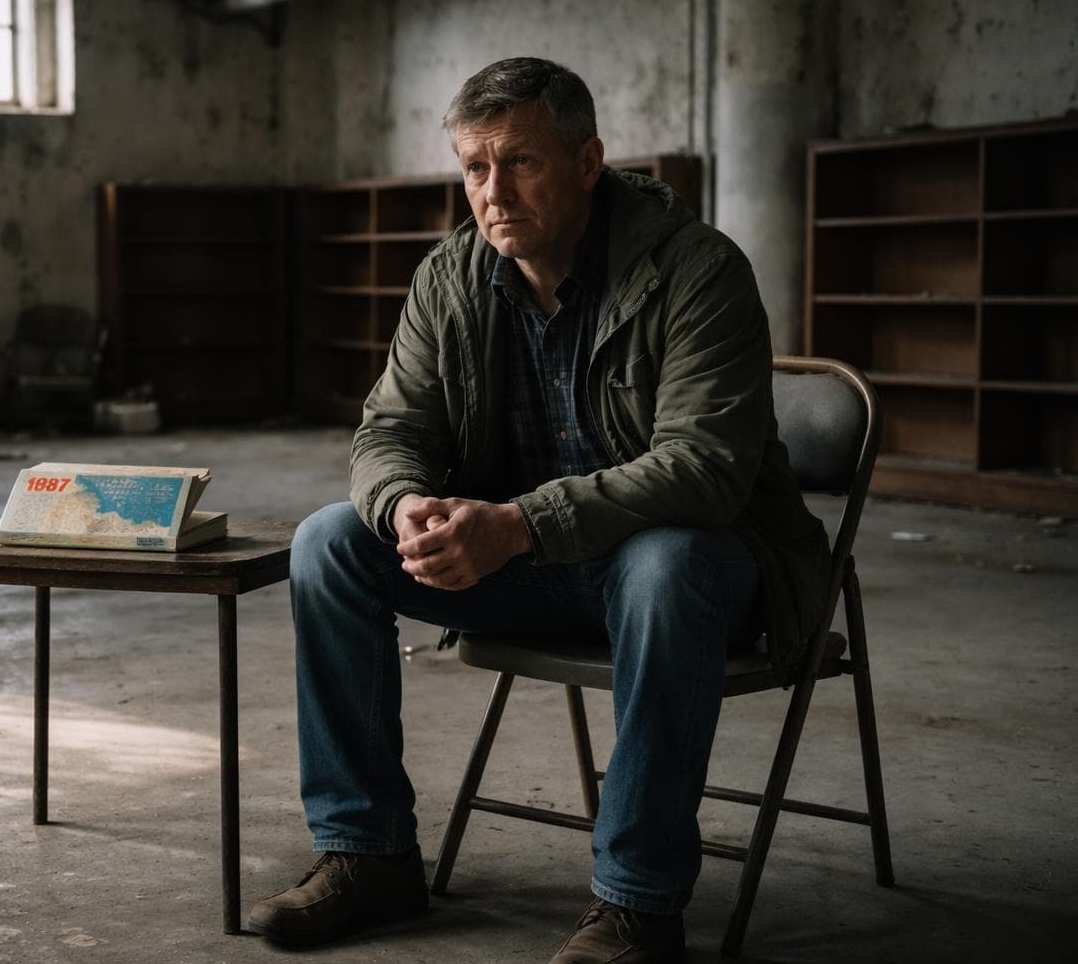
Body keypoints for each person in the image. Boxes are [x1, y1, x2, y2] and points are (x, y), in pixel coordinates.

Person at [245, 57, 832, 963]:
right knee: (330, 540)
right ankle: (368, 855)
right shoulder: (451, 276)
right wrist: (403, 505)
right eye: (475, 168)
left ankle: (638, 905)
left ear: (589, 160)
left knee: (664, 563)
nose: (492, 192)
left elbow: (706, 470)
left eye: (520, 162)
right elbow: (389, 428)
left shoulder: (697, 270)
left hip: (702, 570)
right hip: (530, 565)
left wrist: (517, 525)